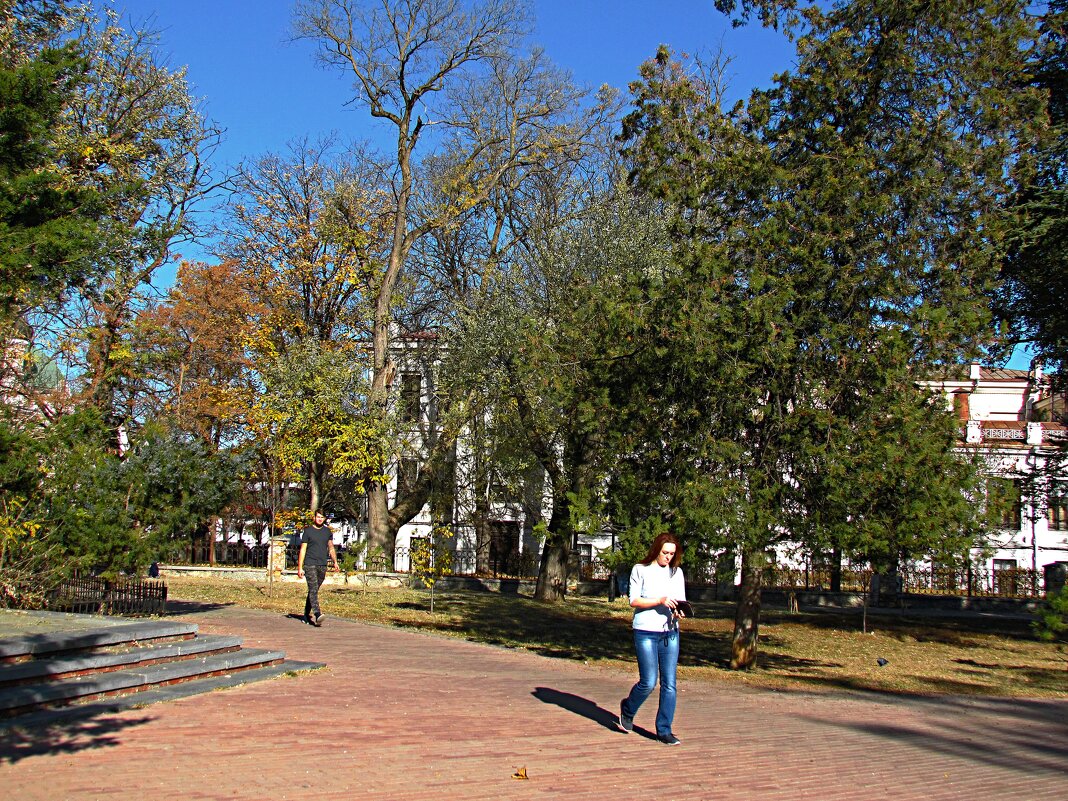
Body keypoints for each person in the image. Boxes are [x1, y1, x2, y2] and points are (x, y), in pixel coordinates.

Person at [618, 532, 687, 745]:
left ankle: (664, 729)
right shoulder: (641, 570)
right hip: (646, 631)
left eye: (672, 554)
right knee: (648, 681)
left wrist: (679, 611)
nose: (668, 557)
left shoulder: (676, 573)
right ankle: (628, 709)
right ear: (656, 550)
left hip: (669, 632)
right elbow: (634, 601)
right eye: (665, 552)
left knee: (670, 684)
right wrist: (659, 600)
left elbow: (680, 600)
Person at [297, 510, 338, 626]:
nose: (320, 519)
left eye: (322, 517)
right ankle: (317, 614)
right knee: (313, 589)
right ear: (314, 517)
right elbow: (303, 549)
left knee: (313, 590)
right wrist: (300, 567)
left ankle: (305, 614)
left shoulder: (327, 532)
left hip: (322, 564)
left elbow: (331, 548)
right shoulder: (308, 531)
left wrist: (335, 562)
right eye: (318, 517)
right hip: (310, 563)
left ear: (325, 519)